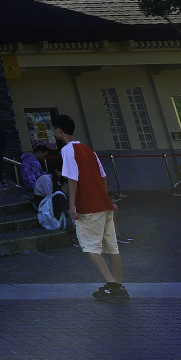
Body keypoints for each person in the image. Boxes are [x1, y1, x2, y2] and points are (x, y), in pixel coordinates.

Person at [53, 113, 128, 301]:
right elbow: (103, 177)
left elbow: (72, 178)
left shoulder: (68, 150)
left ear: (59, 131)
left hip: (88, 206)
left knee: (90, 246)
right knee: (112, 247)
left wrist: (72, 205)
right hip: (104, 205)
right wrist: (107, 199)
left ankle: (111, 285)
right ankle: (118, 285)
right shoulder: (88, 149)